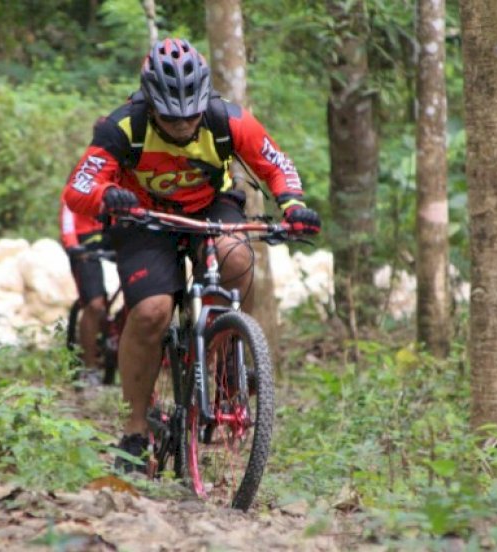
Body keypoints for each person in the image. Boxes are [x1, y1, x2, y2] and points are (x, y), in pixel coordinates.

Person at [62, 37, 321, 472]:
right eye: (170, 117)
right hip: (144, 216)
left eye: (190, 116)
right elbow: (79, 188)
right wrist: (109, 195)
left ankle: (227, 354)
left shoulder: (227, 119)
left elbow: (275, 163)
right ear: (150, 103)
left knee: (237, 258)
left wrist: (292, 204)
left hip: (211, 207)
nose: (182, 126)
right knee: (150, 311)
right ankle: (135, 430)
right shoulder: (121, 127)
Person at [59, 198, 111, 382]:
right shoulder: (83, 176)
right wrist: (72, 244)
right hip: (84, 242)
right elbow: (68, 213)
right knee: (94, 305)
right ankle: (90, 368)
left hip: (112, 234)